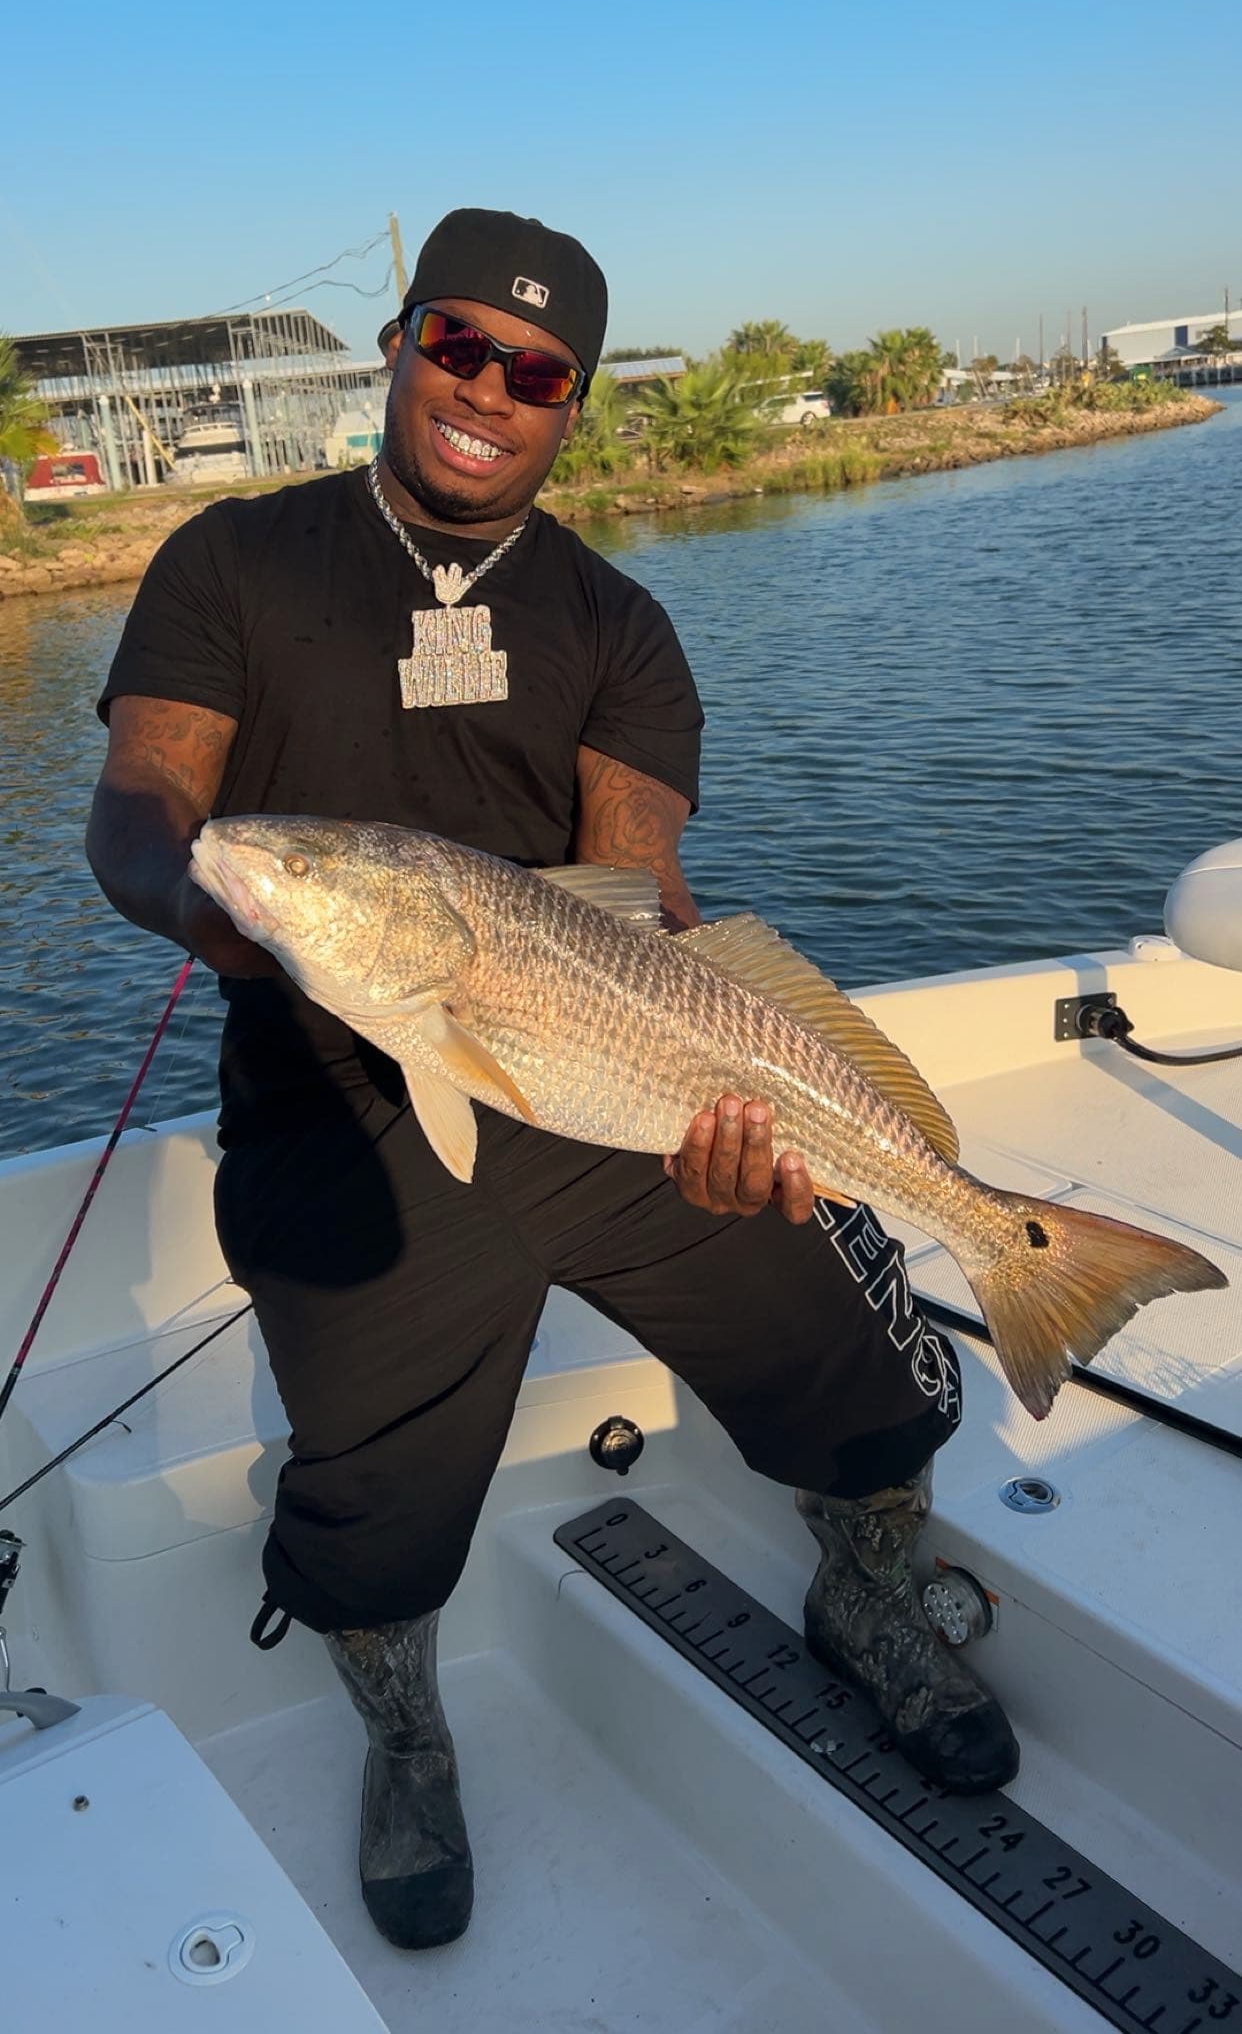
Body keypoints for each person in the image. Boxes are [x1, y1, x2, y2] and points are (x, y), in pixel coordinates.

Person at [86, 207, 1017, 1954]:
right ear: (397, 342)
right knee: (365, 1482)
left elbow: (639, 897)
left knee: (844, 1323)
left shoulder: (621, 623)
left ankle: (870, 1592)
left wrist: (708, 1108)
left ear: (570, 404)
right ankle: (406, 1725)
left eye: (533, 371)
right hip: (336, 1085)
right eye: (455, 344)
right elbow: (146, 812)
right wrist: (244, 928)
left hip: (606, 1070)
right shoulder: (236, 563)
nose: (484, 392)